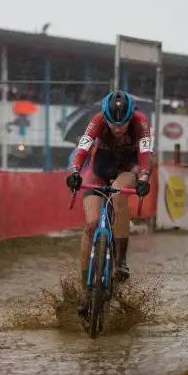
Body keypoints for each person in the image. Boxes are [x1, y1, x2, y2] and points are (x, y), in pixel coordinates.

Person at [65, 90, 153, 316]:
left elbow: (145, 157)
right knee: (91, 223)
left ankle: (121, 260)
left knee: (119, 193)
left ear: (131, 116)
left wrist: (143, 178)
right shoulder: (96, 120)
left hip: (127, 169)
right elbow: (82, 149)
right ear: (105, 117)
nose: (118, 128)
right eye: (113, 124)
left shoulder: (141, 123)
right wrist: (74, 171)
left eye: (123, 124)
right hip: (99, 169)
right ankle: (85, 289)